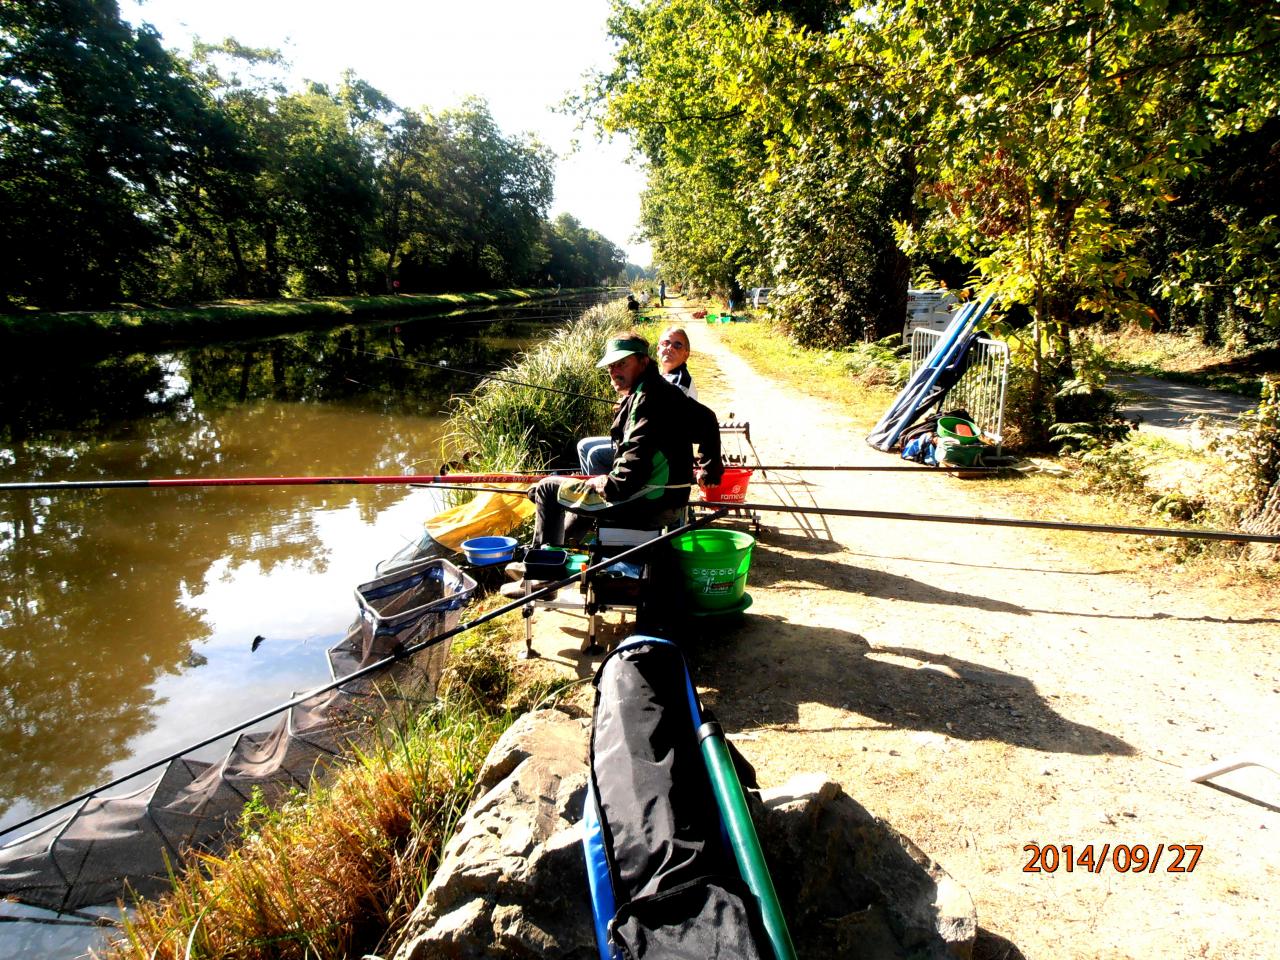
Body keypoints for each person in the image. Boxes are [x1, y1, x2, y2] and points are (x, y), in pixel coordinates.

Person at [530, 333, 693, 548]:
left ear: (643, 363)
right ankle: (564, 549)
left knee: (546, 488)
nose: (614, 372)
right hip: (669, 499)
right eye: (611, 366)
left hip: (650, 503)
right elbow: (707, 420)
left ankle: (542, 569)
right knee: (578, 494)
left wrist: (604, 482)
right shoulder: (661, 389)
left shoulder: (645, 400)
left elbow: (628, 477)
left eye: (622, 364)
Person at [578, 326, 697, 474]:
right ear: (658, 349)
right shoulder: (658, 376)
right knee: (584, 445)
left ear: (686, 354)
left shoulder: (676, 383)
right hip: (648, 440)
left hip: (660, 448)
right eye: (665, 343)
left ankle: (605, 492)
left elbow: (651, 426)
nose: (670, 348)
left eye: (677, 345)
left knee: (596, 454)